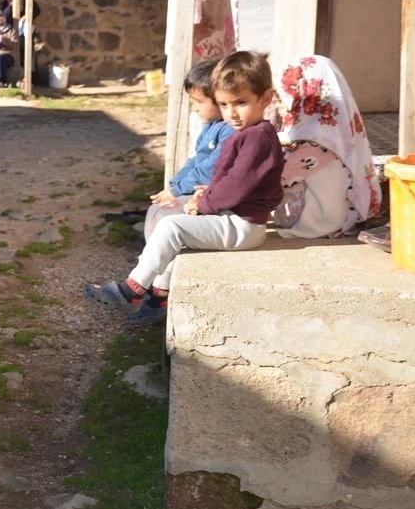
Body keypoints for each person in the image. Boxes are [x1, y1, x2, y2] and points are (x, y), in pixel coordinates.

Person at [84, 51, 284, 326]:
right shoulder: (248, 133)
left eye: (241, 103)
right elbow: (233, 180)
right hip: (234, 217)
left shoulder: (257, 138)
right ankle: (159, 297)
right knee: (173, 229)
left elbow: (237, 185)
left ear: (265, 98)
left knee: (172, 228)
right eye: (225, 105)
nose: (232, 113)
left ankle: (132, 289)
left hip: (243, 226)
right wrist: (208, 192)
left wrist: (203, 204)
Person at [272, 55, 380, 238]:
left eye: (282, 98)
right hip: (349, 209)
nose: (279, 105)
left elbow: (279, 178)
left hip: (325, 220)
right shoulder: (336, 129)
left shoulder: (315, 141)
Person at [144, 57, 232, 237]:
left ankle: (161, 259)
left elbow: (210, 169)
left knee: (165, 217)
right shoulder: (211, 126)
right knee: (156, 210)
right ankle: (154, 255)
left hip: (215, 200)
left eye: (199, 101)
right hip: (197, 190)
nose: (195, 107)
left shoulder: (230, 131)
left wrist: (177, 191)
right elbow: (196, 161)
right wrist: (174, 186)